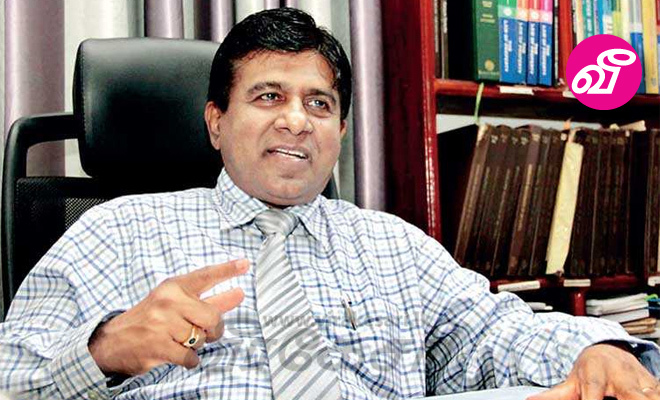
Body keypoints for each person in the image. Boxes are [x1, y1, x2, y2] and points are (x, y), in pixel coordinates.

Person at [0, 7, 659, 400]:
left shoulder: (393, 245)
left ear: (340, 132)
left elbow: (492, 331)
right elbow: (11, 374)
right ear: (216, 122)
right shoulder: (119, 229)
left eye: (318, 104)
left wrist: (597, 349)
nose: (296, 120)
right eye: (268, 96)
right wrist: (104, 348)